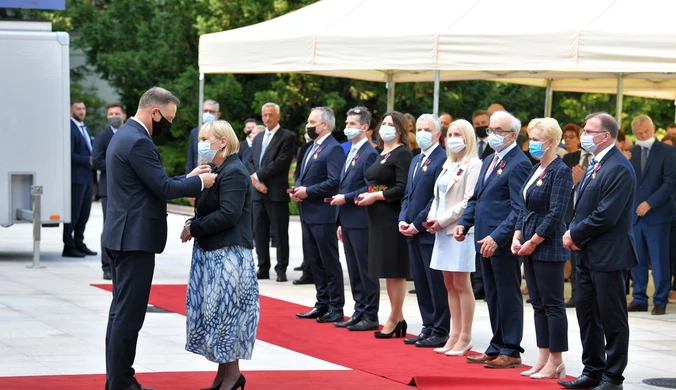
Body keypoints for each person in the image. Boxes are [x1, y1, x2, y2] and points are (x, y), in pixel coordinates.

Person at [102, 87, 217, 390]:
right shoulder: (139, 141)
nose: (168, 125)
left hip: (122, 235)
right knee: (128, 316)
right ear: (154, 112)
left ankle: (117, 379)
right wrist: (200, 183)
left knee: (120, 312)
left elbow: (154, 184)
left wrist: (190, 176)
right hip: (134, 239)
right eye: (167, 118)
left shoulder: (125, 135)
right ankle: (122, 383)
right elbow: (163, 189)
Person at [560, 112, 638, 390]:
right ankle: (592, 370)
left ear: (606, 136)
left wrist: (574, 233)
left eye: (590, 131)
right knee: (587, 314)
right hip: (586, 252)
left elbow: (607, 214)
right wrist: (573, 232)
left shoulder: (618, 167)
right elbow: (584, 206)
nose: (584, 134)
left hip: (608, 254)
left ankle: (613, 377)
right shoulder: (595, 164)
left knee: (612, 317)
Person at [181, 120, 258, 390]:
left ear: (222, 141)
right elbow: (204, 207)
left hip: (229, 256)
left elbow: (229, 214)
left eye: (206, 138)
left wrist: (194, 227)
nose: (201, 143)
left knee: (227, 316)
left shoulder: (234, 170)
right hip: (213, 253)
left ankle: (232, 376)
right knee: (215, 316)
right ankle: (224, 375)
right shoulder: (215, 169)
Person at [456, 110, 531, 369]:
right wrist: (464, 224)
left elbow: (519, 208)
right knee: (492, 294)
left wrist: (498, 236)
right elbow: (477, 197)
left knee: (508, 294)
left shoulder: (519, 163)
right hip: (483, 238)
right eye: (490, 130)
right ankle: (497, 345)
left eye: (499, 131)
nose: (493, 135)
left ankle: (511, 349)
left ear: (512, 135)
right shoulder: (489, 159)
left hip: (503, 241)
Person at [512, 118, 572, 380]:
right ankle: (543, 355)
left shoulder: (560, 170)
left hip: (547, 244)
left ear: (551, 142)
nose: (531, 144)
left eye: (536, 139)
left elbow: (556, 212)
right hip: (528, 242)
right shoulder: (536, 168)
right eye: (531, 138)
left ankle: (557, 361)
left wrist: (533, 240)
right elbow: (524, 206)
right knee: (537, 303)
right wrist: (516, 235)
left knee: (552, 304)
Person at [356, 111, 413, 339]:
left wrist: (377, 196)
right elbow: (376, 183)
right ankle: (397, 318)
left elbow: (402, 188)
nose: (386, 128)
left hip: (392, 215)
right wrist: (368, 195)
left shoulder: (402, 154)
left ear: (399, 129)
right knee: (386, 271)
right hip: (376, 216)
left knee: (394, 271)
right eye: (384, 124)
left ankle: (394, 316)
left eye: (391, 124)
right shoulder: (382, 153)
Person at [426, 119, 481, 356]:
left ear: (467, 138)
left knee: (461, 283)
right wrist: (431, 220)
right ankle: (454, 333)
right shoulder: (449, 164)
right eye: (450, 134)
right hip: (441, 229)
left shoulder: (474, 164)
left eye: (458, 134)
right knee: (449, 284)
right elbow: (437, 197)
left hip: (459, 230)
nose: (453, 138)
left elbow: (468, 200)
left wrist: (444, 220)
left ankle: (465, 336)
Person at [399, 114, 449, 348]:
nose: (421, 134)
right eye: (418, 129)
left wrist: (418, 224)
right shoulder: (416, 159)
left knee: (435, 282)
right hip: (411, 230)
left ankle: (440, 328)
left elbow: (435, 199)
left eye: (427, 129)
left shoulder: (442, 159)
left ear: (438, 134)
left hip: (428, 231)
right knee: (420, 281)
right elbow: (408, 195)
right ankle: (427, 325)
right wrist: (402, 219)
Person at [293, 107, 346, 323]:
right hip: (308, 213)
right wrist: (298, 188)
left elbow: (334, 181)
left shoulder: (333, 149)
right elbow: (301, 175)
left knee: (328, 261)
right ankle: (322, 302)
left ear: (325, 125)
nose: (308, 125)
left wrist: (308, 192)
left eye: (312, 121)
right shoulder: (311, 147)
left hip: (324, 214)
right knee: (314, 260)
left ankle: (336, 306)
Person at [332, 106, 380, 331]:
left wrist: (346, 198)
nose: (347, 127)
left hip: (361, 218)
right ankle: (359, 310)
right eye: (347, 123)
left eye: (352, 124)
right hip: (349, 218)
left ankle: (370, 314)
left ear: (364, 127)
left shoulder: (369, 152)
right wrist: (340, 220)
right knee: (353, 269)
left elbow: (370, 186)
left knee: (365, 269)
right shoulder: (351, 150)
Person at [626, 115, 676, 315]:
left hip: (658, 215)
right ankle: (639, 298)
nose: (643, 135)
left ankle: (660, 299)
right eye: (639, 133)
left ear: (653, 129)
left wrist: (650, 203)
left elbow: (670, 182)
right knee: (636, 259)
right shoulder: (631, 153)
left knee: (659, 260)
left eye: (646, 132)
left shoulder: (667, 151)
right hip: (635, 216)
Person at [246, 103, 295, 282]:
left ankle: (281, 268)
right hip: (258, 193)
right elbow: (250, 160)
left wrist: (257, 176)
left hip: (275, 192)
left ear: (278, 116)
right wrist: (255, 180)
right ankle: (263, 267)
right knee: (260, 233)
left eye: (271, 115)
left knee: (280, 233)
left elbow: (281, 162)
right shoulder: (258, 137)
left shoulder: (287, 137)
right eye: (265, 115)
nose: (267, 118)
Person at [92, 102, 127, 279]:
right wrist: (118, 164)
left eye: (117, 113)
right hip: (108, 189)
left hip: (126, 190)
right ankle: (107, 265)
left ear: (124, 116)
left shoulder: (130, 135)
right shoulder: (102, 136)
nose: (114, 116)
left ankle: (120, 264)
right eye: (111, 113)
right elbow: (96, 161)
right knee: (109, 227)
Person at [64, 100, 97, 258]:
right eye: (78, 109)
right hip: (76, 178)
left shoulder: (85, 128)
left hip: (87, 178)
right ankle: (68, 246)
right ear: (71, 111)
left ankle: (79, 242)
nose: (81, 111)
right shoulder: (70, 129)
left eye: (83, 108)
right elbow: (69, 154)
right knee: (74, 214)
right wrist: (88, 159)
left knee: (84, 214)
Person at [187, 100, 221, 174]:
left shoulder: (222, 133)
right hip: (198, 177)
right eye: (205, 111)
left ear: (218, 115)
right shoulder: (194, 132)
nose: (207, 113)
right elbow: (191, 158)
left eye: (211, 111)